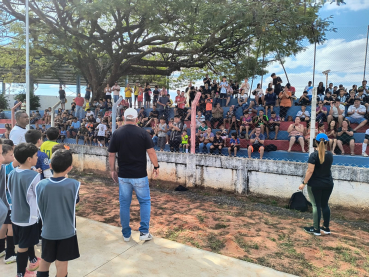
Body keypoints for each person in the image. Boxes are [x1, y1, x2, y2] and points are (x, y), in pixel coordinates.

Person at [108, 108, 159, 242]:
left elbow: (111, 154)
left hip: (124, 175)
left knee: (124, 204)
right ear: (136, 119)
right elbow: (151, 152)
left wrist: (112, 170)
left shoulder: (117, 133)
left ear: (124, 118)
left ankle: (126, 234)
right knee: (145, 201)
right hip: (139, 175)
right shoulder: (143, 133)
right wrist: (156, 166)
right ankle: (144, 232)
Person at [35, 150, 80, 277]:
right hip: (66, 232)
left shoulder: (40, 185)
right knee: (62, 263)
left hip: (47, 231)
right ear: (69, 168)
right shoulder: (73, 184)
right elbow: (74, 203)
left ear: (50, 165)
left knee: (45, 260)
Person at [8, 143, 41, 277]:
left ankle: (32, 260)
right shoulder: (34, 176)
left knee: (26, 241)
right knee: (23, 246)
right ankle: (21, 273)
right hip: (29, 218)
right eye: (35, 155)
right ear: (29, 159)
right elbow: (39, 197)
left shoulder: (11, 173)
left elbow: (10, 193)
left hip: (15, 215)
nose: (37, 158)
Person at [299, 133, 334, 236]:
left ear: (316, 142)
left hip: (315, 184)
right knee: (325, 205)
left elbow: (310, 171)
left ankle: (316, 229)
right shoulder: (330, 155)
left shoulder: (314, 155)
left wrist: (304, 183)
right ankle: (326, 227)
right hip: (328, 183)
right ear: (327, 142)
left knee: (316, 205)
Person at [0, 141, 16, 265]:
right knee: (10, 227)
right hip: (9, 203)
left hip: (5, 204)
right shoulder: (7, 167)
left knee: (4, 226)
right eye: (11, 155)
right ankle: (10, 254)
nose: (13, 157)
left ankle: (1, 249)